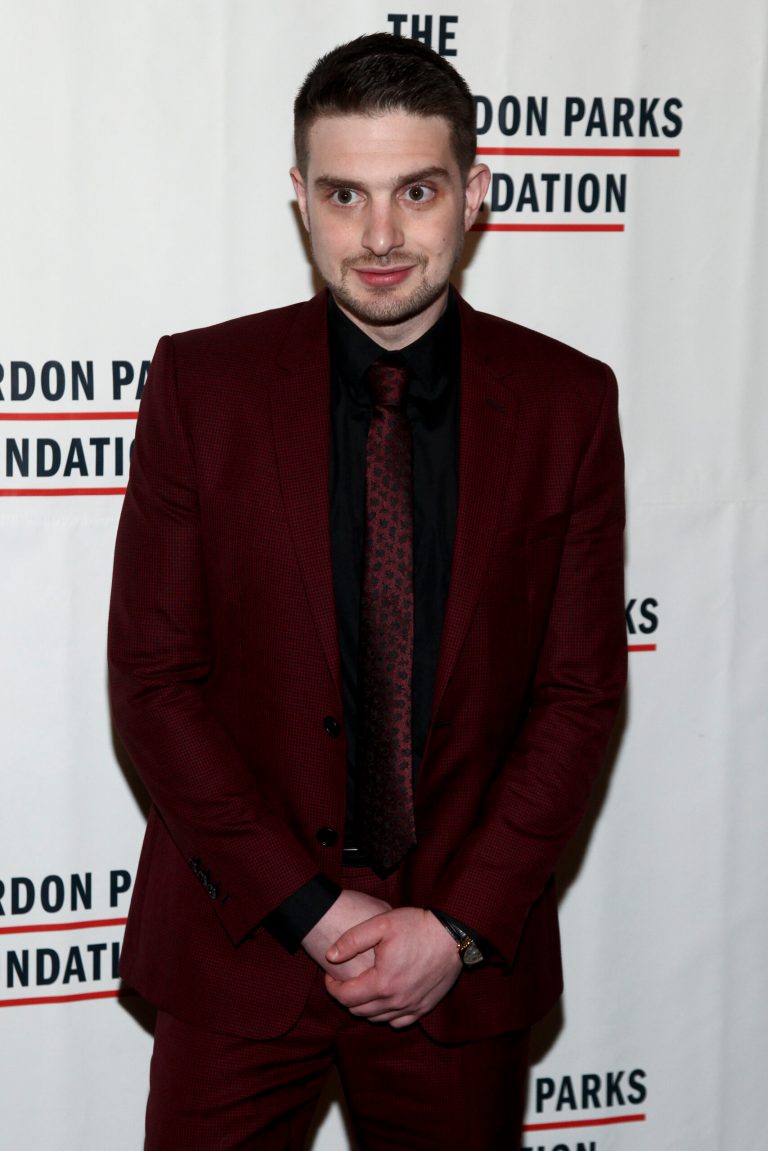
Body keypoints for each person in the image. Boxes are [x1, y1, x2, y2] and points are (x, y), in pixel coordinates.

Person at [108, 31, 626, 1151]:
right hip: (240, 945)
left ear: (476, 194)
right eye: (345, 194)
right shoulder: (203, 387)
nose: (381, 236)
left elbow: (580, 695)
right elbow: (154, 682)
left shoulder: (567, 404)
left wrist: (457, 925)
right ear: (301, 199)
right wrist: (310, 904)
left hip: (457, 974)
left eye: (417, 190)